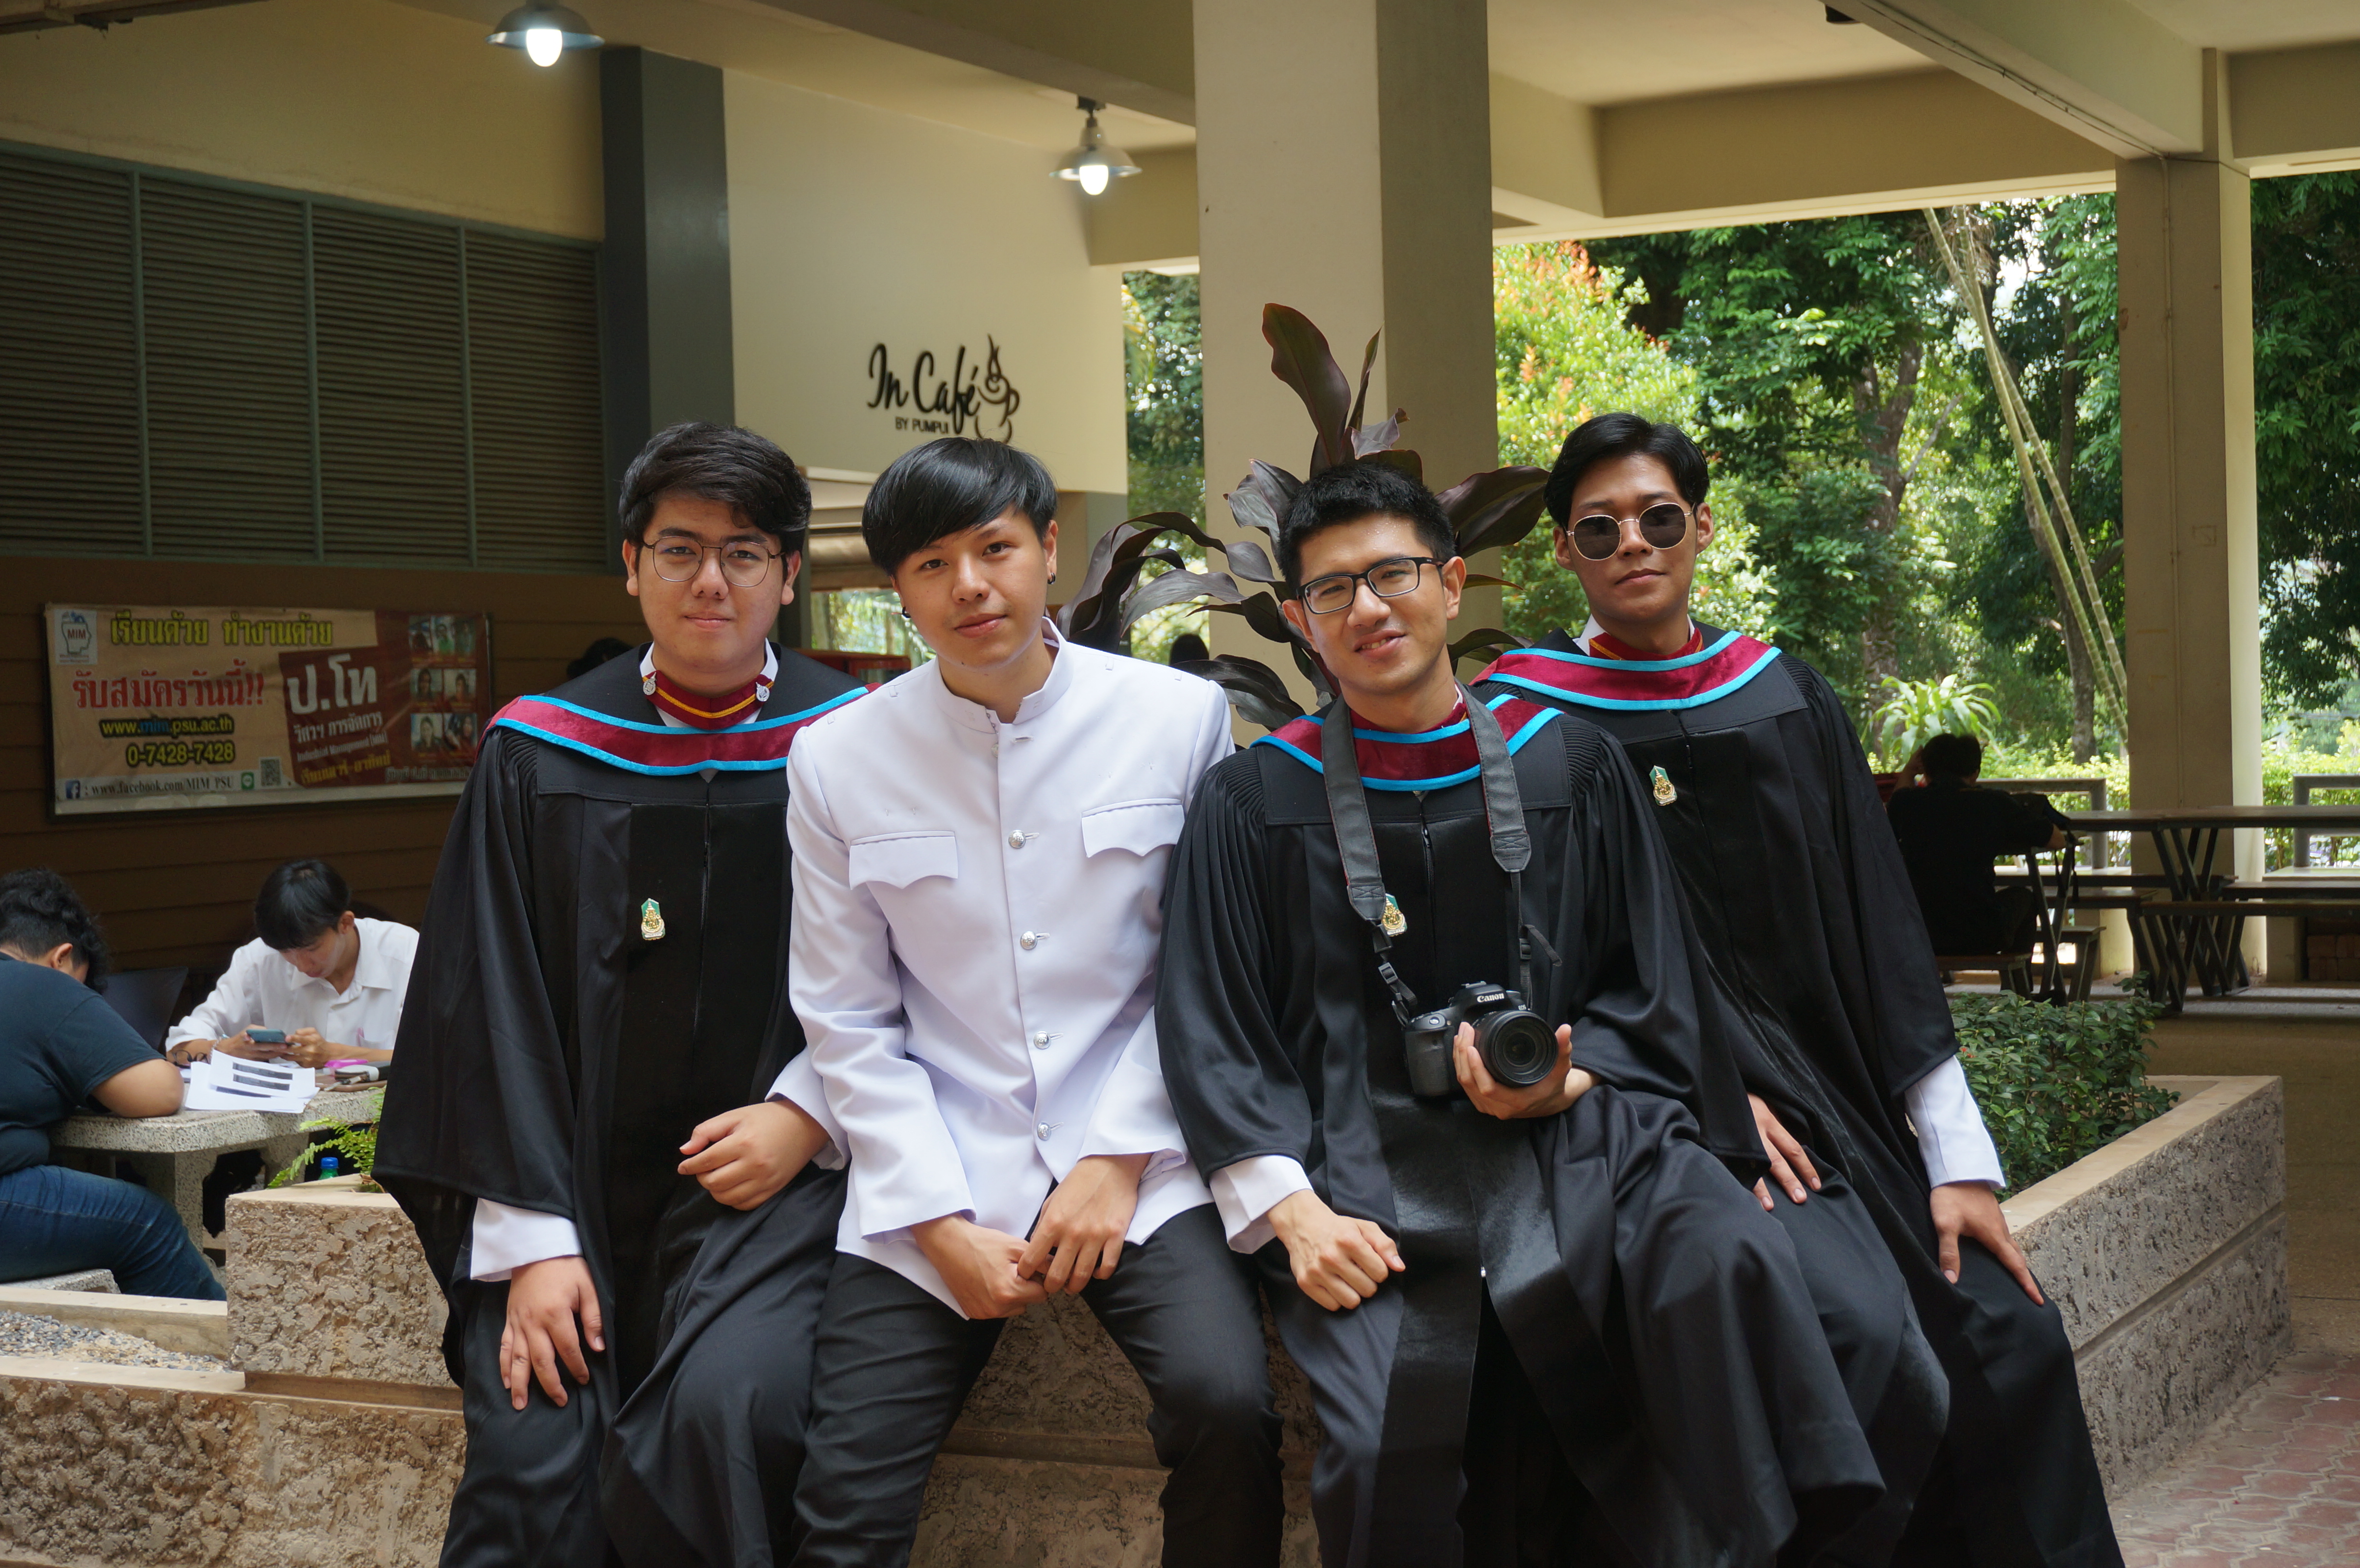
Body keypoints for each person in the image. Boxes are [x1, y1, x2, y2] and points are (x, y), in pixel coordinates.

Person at [1157, 460, 1881, 1568]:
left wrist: (1572, 1074)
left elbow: (1651, 981)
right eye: (1331, 590)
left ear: (1449, 585)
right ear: (1300, 622)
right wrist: (1289, 1210)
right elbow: (1212, 1026)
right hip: (1357, 1169)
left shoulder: (1570, 767)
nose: (1367, 608)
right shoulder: (1253, 800)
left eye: (1393, 575)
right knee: (1383, 1444)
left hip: (1574, 1137)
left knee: (1717, 1268)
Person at [1475, 414, 2121, 1567]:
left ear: (1699, 527)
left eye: (1657, 518)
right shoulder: (1524, 723)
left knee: (2007, 1335)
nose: (1632, 544)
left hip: (1834, 1094)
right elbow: (1532, 961)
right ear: (1565, 552)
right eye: (1598, 528)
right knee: (1854, 1345)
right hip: (1661, 1109)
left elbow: (1880, 924)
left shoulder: (1780, 693)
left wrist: (1955, 1159)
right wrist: (1696, 1087)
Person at [781, 437, 1283, 1567]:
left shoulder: (1176, 719)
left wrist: (1117, 1158)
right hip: (939, 1162)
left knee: (1224, 1408)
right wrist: (932, 1220)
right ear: (896, 588)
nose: (968, 586)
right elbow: (845, 1014)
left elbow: (1204, 966)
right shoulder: (834, 759)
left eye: (994, 549)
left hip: (1143, 1158)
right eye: (930, 565)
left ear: (1048, 549)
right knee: (843, 1488)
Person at [374, 421, 867, 1568]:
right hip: (566, 1191)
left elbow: (934, 973)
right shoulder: (539, 753)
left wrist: (809, 1111)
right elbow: (480, 1002)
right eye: (680, 549)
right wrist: (532, 1243)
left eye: (744, 552)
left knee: (726, 1420)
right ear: (633, 565)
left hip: (774, 1198)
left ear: (788, 573)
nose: (711, 581)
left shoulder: (860, 744)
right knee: (536, 1448)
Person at [0, 868, 222, 1300]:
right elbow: (158, 1092)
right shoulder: (43, 983)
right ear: (61, 958)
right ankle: (210, 1346)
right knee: (148, 1223)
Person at [165, 859, 416, 1069]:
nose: (301, 966)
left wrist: (334, 1056)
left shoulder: (406, 953)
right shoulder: (259, 959)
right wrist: (225, 1049)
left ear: (345, 923)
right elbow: (177, 1049)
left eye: (312, 949)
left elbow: (432, 1058)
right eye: (286, 953)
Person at [1887, 734, 2069, 956]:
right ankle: (2017, 978)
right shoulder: (1993, 802)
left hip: (1921, 934)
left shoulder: (1907, 804)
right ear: (1975, 773)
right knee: (2025, 898)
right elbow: (2057, 840)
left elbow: (1897, 802)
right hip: (1982, 933)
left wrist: (1908, 772)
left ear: (1926, 772)